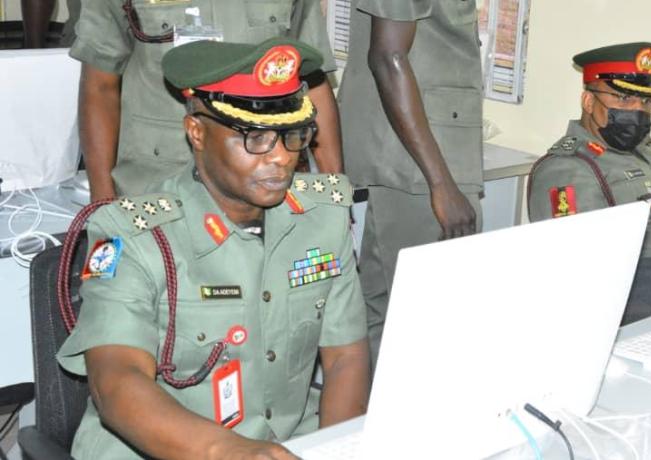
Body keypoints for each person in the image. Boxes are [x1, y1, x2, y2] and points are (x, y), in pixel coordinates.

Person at [57, 38, 368, 459]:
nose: (280, 157)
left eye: (292, 135)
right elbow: (116, 382)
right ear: (197, 132)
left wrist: (339, 450)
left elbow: (346, 357)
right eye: (256, 138)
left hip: (289, 444)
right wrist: (230, 453)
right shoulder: (133, 235)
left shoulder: (323, 218)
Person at [72, 0, 343, 201]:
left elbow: (311, 79)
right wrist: (102, 201)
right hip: (157, 184)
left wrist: (335, 195)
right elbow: (100, 86)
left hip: (263, 179)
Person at [337, 0, 484, 369]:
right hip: (421, 165)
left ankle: (367, 406)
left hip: (421, 155)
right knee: (430, 332)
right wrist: (442, 183)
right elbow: (387, 58)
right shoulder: (435, 180)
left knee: (381, 315)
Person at [527, 42, 651, 325]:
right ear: (588, 101)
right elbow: (579, 275)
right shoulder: (568, 169)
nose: (638, 111)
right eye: (625, 99)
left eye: (646, 102)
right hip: (647, 322)